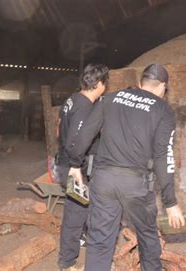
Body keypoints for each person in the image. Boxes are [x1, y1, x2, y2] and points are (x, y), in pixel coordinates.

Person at [68, 63, 185, 271]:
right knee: (148, 238)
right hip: (136, 185)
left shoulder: (109, 99)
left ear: (140, 83)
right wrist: (170, 202)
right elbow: (163, 157)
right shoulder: (163, 111)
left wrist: (75, 164)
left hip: (103, 181)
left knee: (100, 242)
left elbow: (84, 133)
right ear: (162, 88)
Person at [56, 63, 109, 271]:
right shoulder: (85, 106)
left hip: (67, 162)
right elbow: (74, 140)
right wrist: (75, 166)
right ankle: (67, 261)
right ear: (100, 84)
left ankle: (84, 238)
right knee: (74, 213)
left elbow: (59, 131)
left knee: (87, 205)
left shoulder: (72, 99)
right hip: (73, 167)